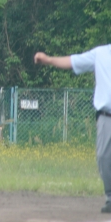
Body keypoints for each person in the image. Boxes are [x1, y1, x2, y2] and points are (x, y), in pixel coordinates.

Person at [34, 49, 111, 213]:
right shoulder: (101, 53)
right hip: (107, 116)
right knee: (103, 157)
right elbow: (73, 61)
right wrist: (49, 60)